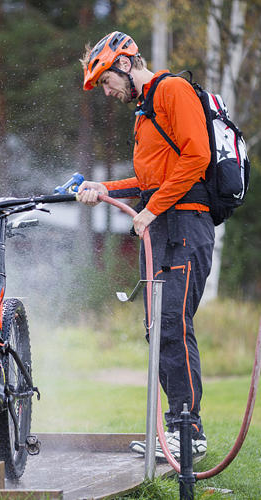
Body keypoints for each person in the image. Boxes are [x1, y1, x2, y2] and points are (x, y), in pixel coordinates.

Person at [78, 31, 213, 459]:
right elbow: (150, 179)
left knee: (172, 323)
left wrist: (151, 210)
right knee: (157, 329)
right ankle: (176, 430)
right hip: (161, 227)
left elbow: (197, 157)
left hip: (186, 225)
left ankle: (187, 432)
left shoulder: (173, 90)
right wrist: (105, 188)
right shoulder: (145, 111)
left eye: (105, 80)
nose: (107, 91)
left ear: (123, 64)